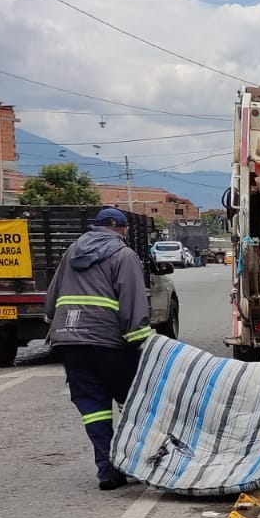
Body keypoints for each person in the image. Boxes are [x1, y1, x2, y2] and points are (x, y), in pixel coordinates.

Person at [44, 207, 154, 490]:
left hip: (69, 340)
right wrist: (140, 338)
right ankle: (138, 464)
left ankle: (107, 471)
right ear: (123, 229)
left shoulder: (72, 252)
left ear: (95, 227)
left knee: (93, 406)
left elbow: (52, 298)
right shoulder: (124, 255)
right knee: (133, 401)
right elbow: (132, 299)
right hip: (108, 341)